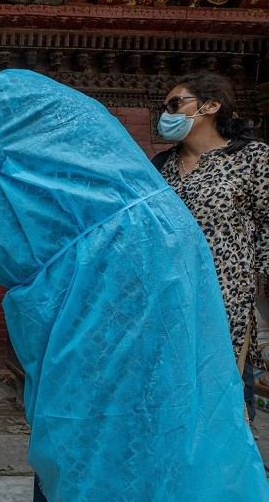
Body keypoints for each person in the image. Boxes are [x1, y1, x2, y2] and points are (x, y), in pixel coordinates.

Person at [0, 51, 268, 499]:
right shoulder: (39, 120)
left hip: (115, 269)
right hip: (142, 260)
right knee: (157, 408)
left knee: (101, 420)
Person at [152, 71, 269, 438]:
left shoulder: (252, 159)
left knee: (222, 422)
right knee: (171, 417)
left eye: (176, 104)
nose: (166, 115)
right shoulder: (159, 167)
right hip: (167, 304)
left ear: (211, 105)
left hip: (224, 308)